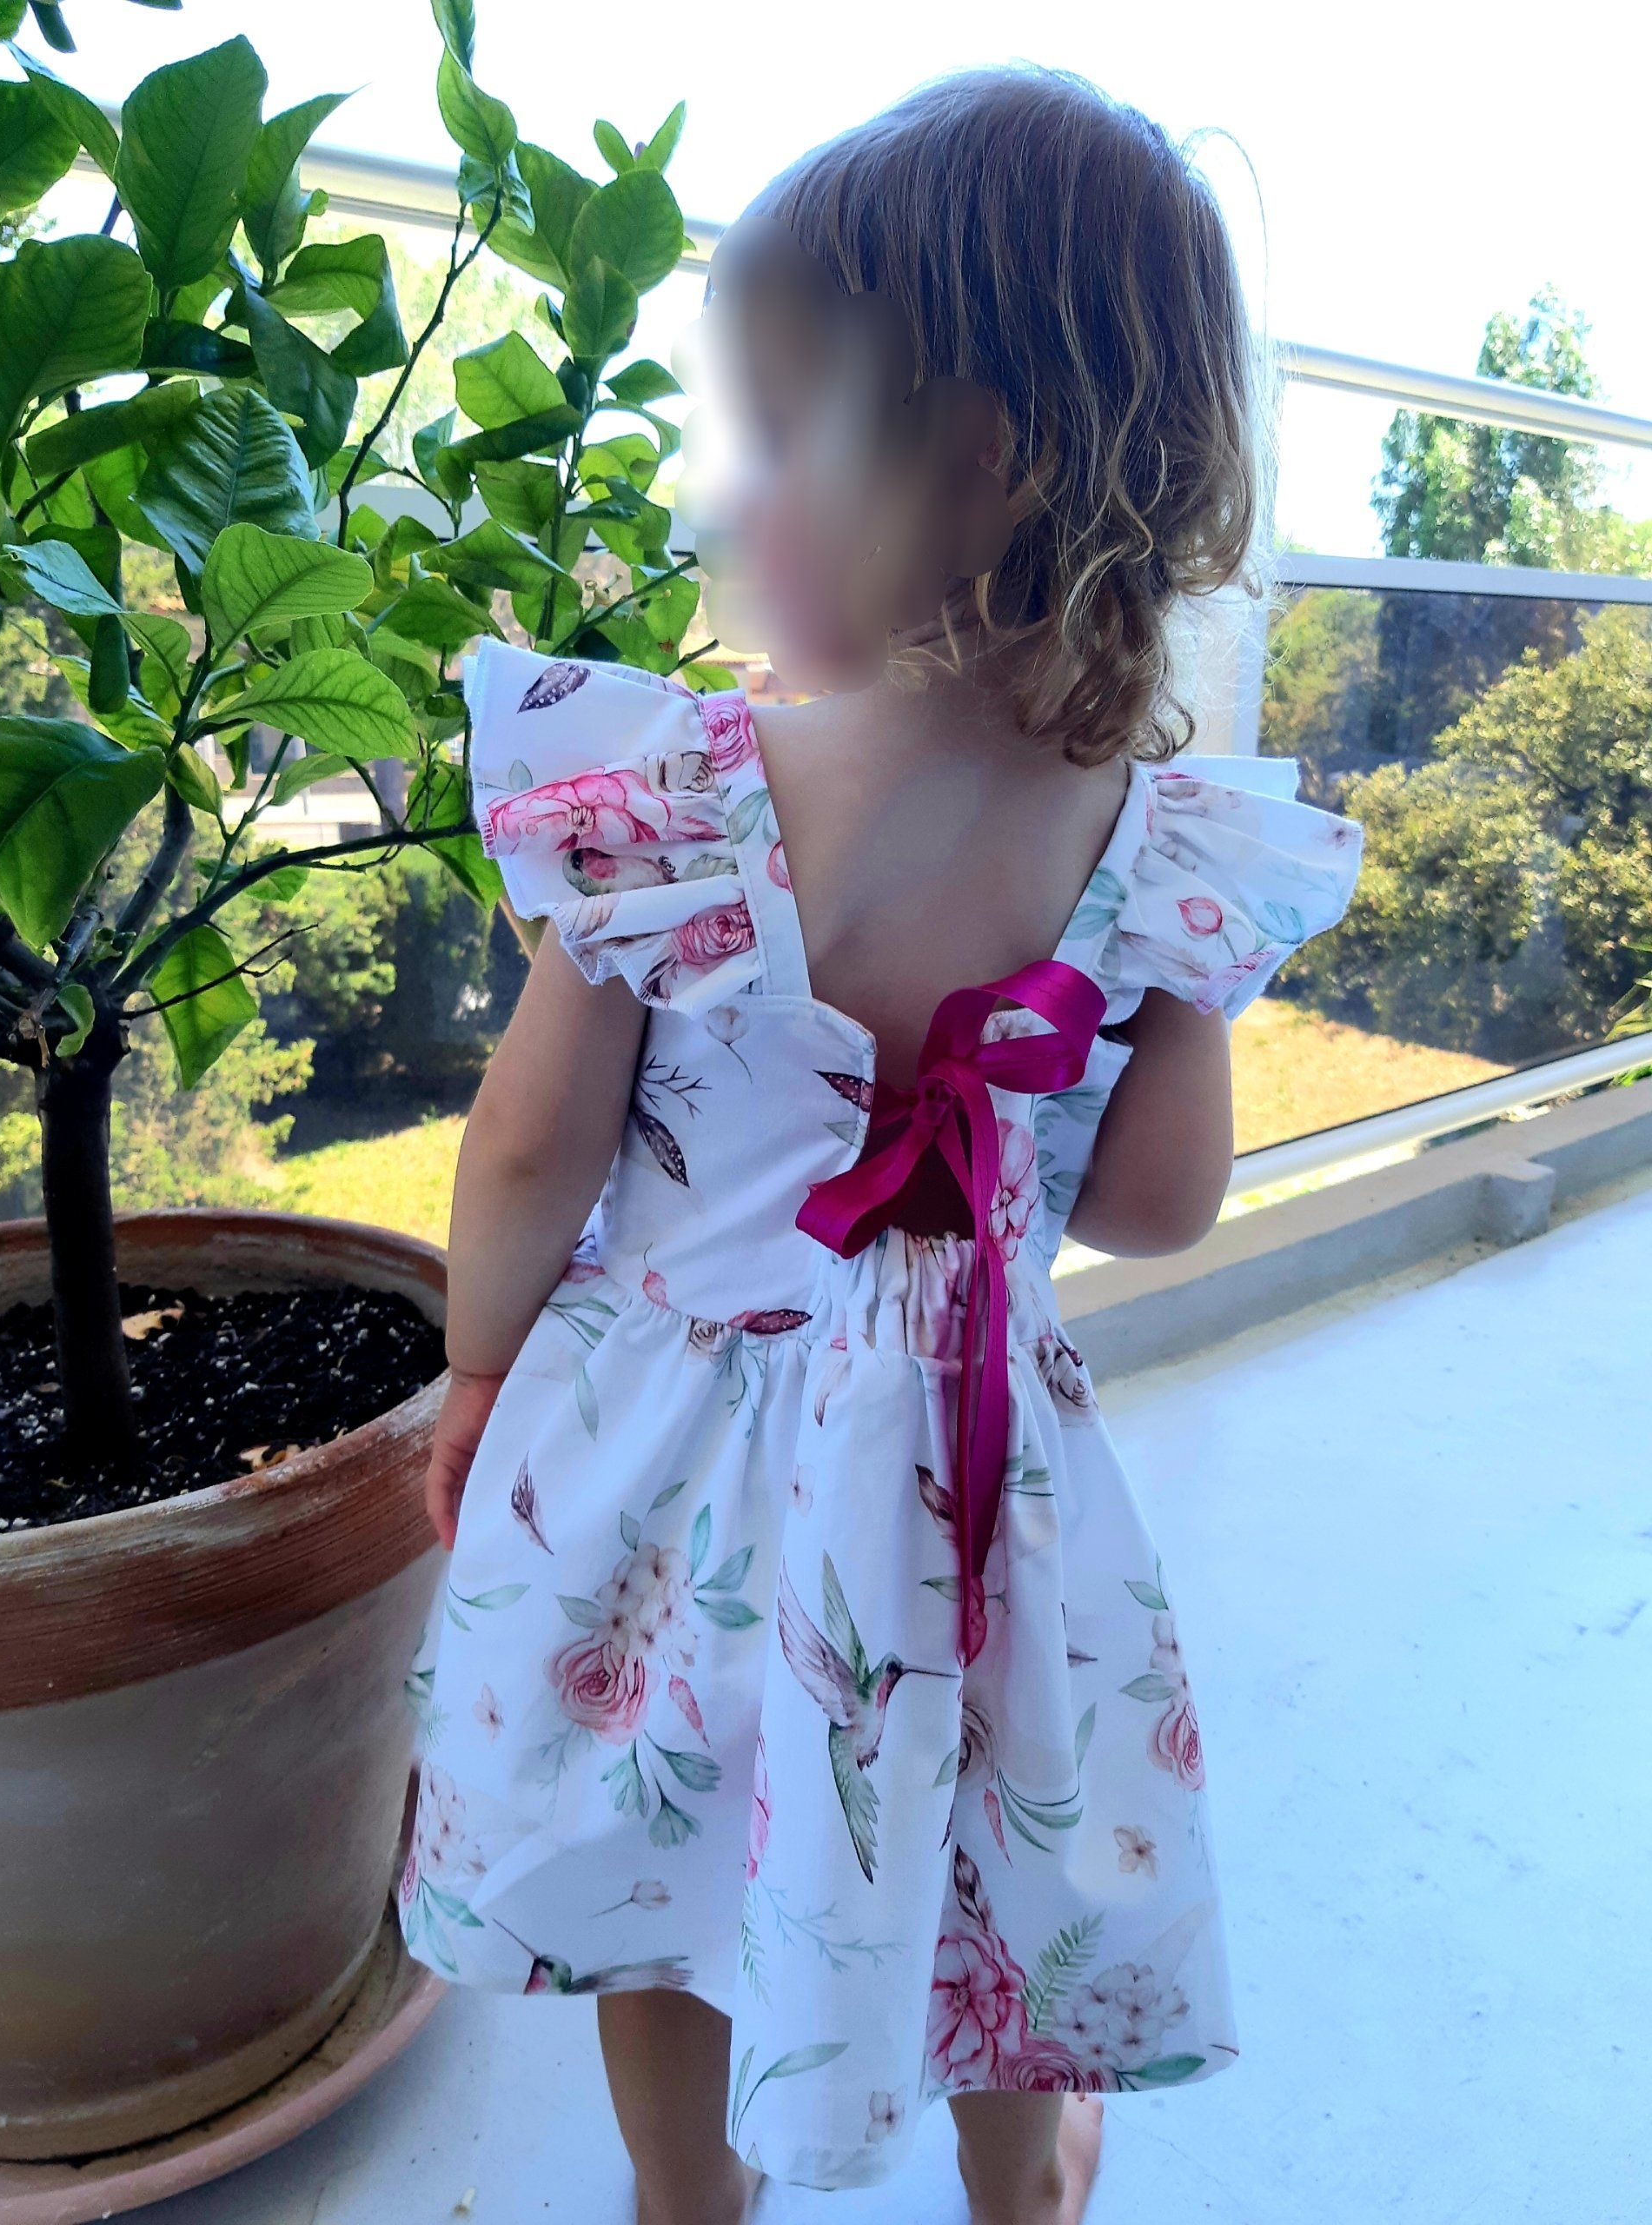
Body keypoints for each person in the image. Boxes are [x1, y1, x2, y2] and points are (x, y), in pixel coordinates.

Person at [400, 63, 1365, 2225]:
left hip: (665, 1461)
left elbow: (533, 1146)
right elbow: (1156, 1201)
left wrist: (476, 1370)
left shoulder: (676, 793)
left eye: (771, 441)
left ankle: (689, 2192)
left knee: (663, 1849)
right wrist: (1162, 996)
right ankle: (1023, 2185)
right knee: (986, 1826)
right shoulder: (1155, 844)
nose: (734, 502)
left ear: (974, 458)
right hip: (967, 1476)